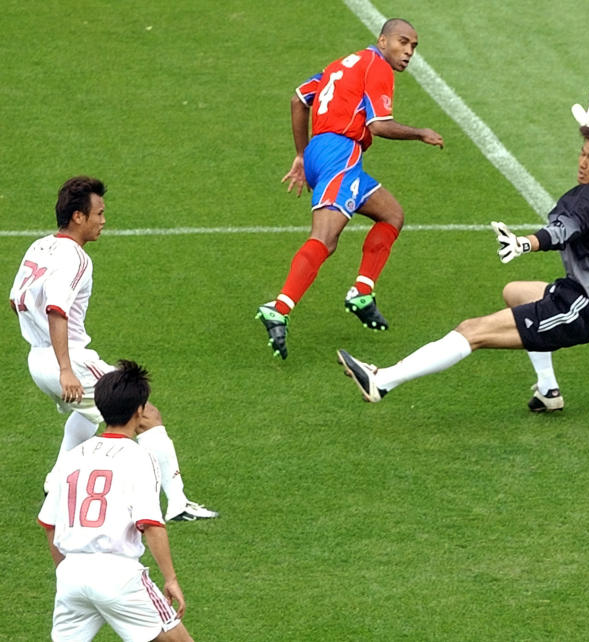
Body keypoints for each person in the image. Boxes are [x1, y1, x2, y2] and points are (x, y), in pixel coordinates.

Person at [336, 95, 589, 412]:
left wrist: (525, 243)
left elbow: (561, 231)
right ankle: (549, 392)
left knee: (472, 331)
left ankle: (382, 381)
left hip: (581, 308)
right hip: (585, 297)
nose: (582, 162)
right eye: (583, 153)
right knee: (516, 292)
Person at [9, 176, 217, 521]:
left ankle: (57, 480)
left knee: (85, 414)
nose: (104, 221)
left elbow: (17, 300)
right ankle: (178, 502)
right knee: (145, 413)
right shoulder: (76, 258)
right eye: (99, 213)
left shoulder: (39, 247)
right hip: (67, 359)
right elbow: (56, 309)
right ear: (79, 216)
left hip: (37, 359)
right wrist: (65, 369)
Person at [256, 17, 445, 359]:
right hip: (340, 154)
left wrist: (302, 155)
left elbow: (299, 99)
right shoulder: (377, 66)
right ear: (383, 40)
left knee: (391, 214)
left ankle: (362, 291)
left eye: (413, 46)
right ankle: (279, 308)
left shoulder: (341, 65)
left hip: (324, 153)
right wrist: (420, 133)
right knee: (324, 239)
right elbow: (379, 124)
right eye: (403, 42)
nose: (408, 51)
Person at [38, 360, 194, 641]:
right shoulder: (139, 456)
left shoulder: (73, 457)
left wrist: (67, 573)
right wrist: (170, 579)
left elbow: (48, 524)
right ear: (139, 411)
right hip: (119, 576)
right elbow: (151, 524)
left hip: (71, 573)